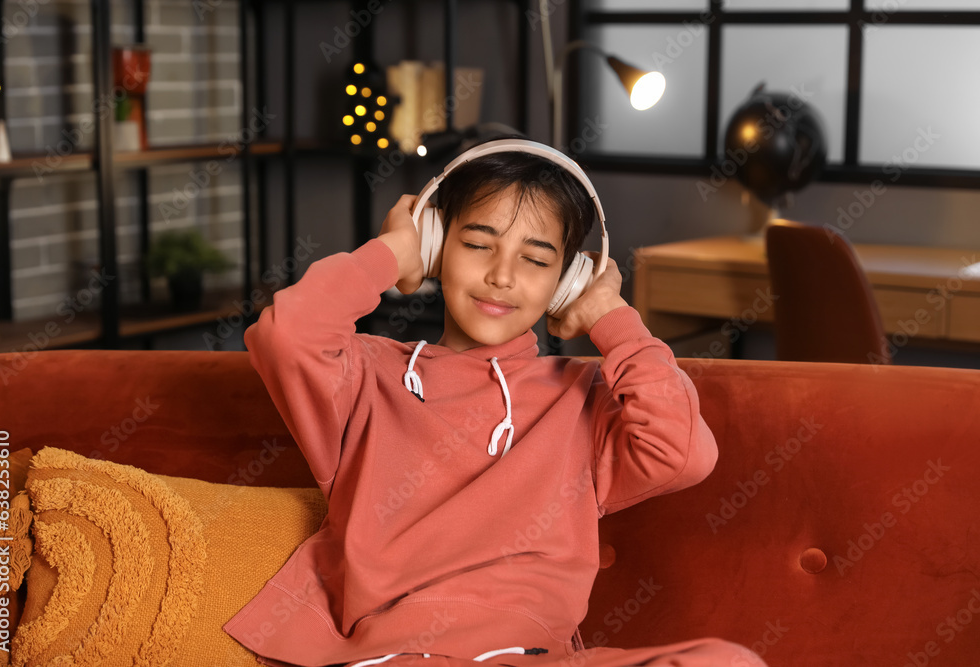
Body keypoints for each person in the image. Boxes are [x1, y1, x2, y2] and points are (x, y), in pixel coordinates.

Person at [224, 139, 767, 667]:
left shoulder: (584, 400)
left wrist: (612, 318)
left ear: (566, 281)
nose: (501, 276)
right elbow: (287, 335)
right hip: (395, 652)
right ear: (437, 247)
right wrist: (390, 254)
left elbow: (683, 451)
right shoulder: (365, 374)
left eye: (535, 260)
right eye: (478, 244)